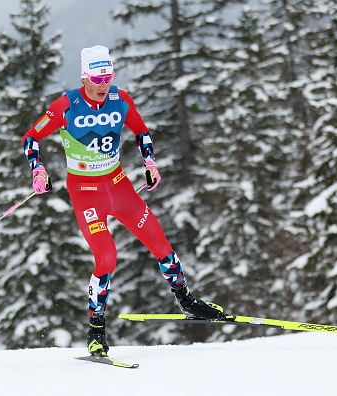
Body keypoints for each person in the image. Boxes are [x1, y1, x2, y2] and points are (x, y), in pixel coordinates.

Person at [22, 45, 224, 357]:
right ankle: (96, 330)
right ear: (84, 77)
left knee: (161, 244)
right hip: (86, 192)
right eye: (97, 79)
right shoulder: (67, 104)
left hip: (119, 187)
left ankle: (187, 301)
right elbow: (31, 137)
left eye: (108, 77)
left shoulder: (121, 99)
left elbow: (142, 132)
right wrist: (38, 170)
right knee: (107, 257)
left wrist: (150, 163)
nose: (103, 85)